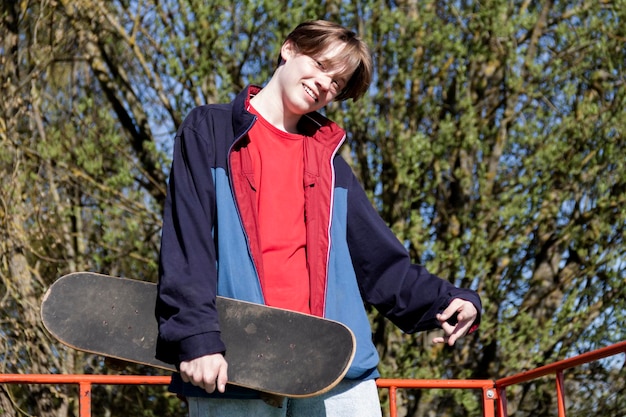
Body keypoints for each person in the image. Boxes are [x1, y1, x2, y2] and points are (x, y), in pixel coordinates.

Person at [155, 19, 481, 417]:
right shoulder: (211, 131)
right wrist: (196, 336)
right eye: (322, 65)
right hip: (238, 363)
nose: (325, 84)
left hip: (333, 369)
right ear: (289, 48)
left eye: (338, 84)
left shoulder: (330, 165)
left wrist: (447, 301)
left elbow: (378, 262)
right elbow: (188, 242)